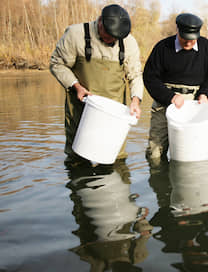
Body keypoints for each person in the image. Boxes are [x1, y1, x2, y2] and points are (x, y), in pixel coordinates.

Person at [50, 4, 143, 166]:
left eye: (116, 38)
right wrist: (76, 86)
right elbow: (57, 64)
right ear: (100, 22)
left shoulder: (129, 42)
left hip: (114, 116)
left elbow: (135, 75)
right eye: (109, 36)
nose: (112, 40)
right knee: (78, 158)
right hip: (81, 109)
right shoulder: (75, 34)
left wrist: (136, 100)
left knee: (114, 159)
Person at [143, 13, 208, 162]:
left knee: (190, 153)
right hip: (164, 102)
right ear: (177, 30)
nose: (189, 43)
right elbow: (150, 78)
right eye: (185, 38)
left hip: (194, 104)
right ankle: (159, 182)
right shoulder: (162, 47)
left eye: (192, 39)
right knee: (155, 153)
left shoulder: (205, 47)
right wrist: (169, 97)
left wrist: (205, 94)